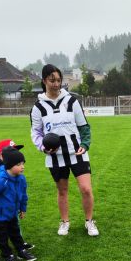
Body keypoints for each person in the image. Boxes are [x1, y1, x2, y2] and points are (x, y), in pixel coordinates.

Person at [30, 64, 99, 237]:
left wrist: (85, 143)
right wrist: (43, 147)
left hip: (77, 153)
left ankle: (89, 221)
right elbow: (36, 132)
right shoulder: (38, 108)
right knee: (62, 191)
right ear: (44, 80)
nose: (56, 83)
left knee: (86, 189)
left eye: (59, 80)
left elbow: (84, 126)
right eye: (52, 80)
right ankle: (64, 222)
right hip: (55, 157)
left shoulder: (72, 101)